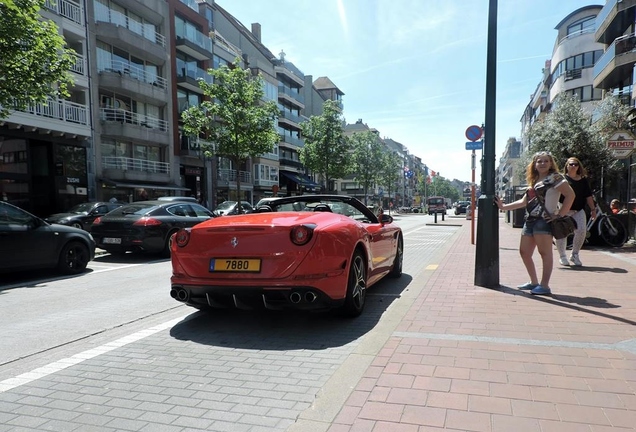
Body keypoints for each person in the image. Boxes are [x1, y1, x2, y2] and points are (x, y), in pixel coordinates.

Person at [494, 151, 575, 296]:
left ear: (551, 163)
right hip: (530, 220)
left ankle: (544, 286)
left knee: (545, 253)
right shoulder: (535, 180)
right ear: (535, 164)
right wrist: (503, 207)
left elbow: (570, 195)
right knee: (524, 252)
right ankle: (534, 282)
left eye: (545, 161)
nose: (542, 164)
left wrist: (559, 214)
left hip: (544, 221)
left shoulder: (555, 178)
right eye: (539, 161)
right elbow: (524, 201)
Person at [555, 157, 595, 267]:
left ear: (579, 167)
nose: (573, 166)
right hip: (563, 210)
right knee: (561, 233)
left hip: (578, 210)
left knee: (582, 230)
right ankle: (562, 256)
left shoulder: (583, 180)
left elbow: (588, 196)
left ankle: (575, 254)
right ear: (566, 166)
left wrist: (593, 210)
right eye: (571, 164)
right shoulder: (561, 179)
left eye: (576, 164)